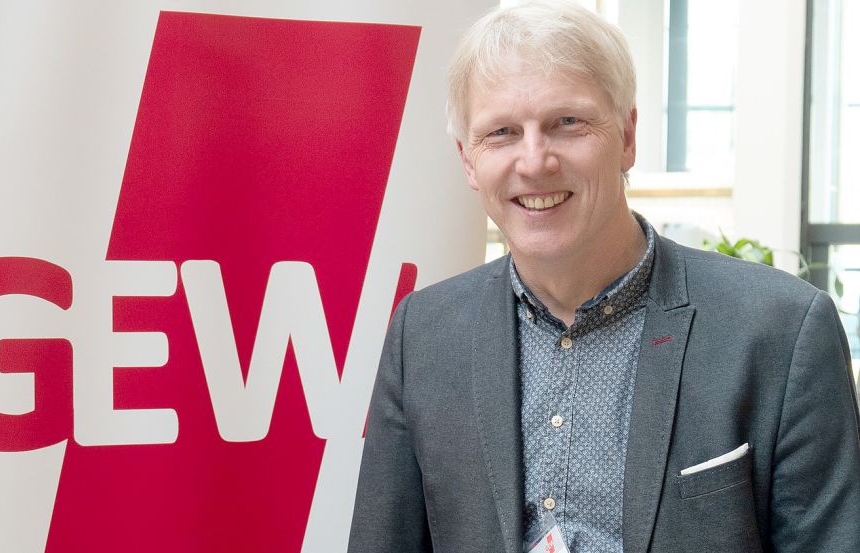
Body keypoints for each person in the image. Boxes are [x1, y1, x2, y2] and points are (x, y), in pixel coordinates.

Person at [347, 1, 860, 552]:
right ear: (469, 161)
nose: (535, 160)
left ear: (627, 135)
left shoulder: (781, 332)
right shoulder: (422, 336)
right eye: (501, 132)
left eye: (567, 123)